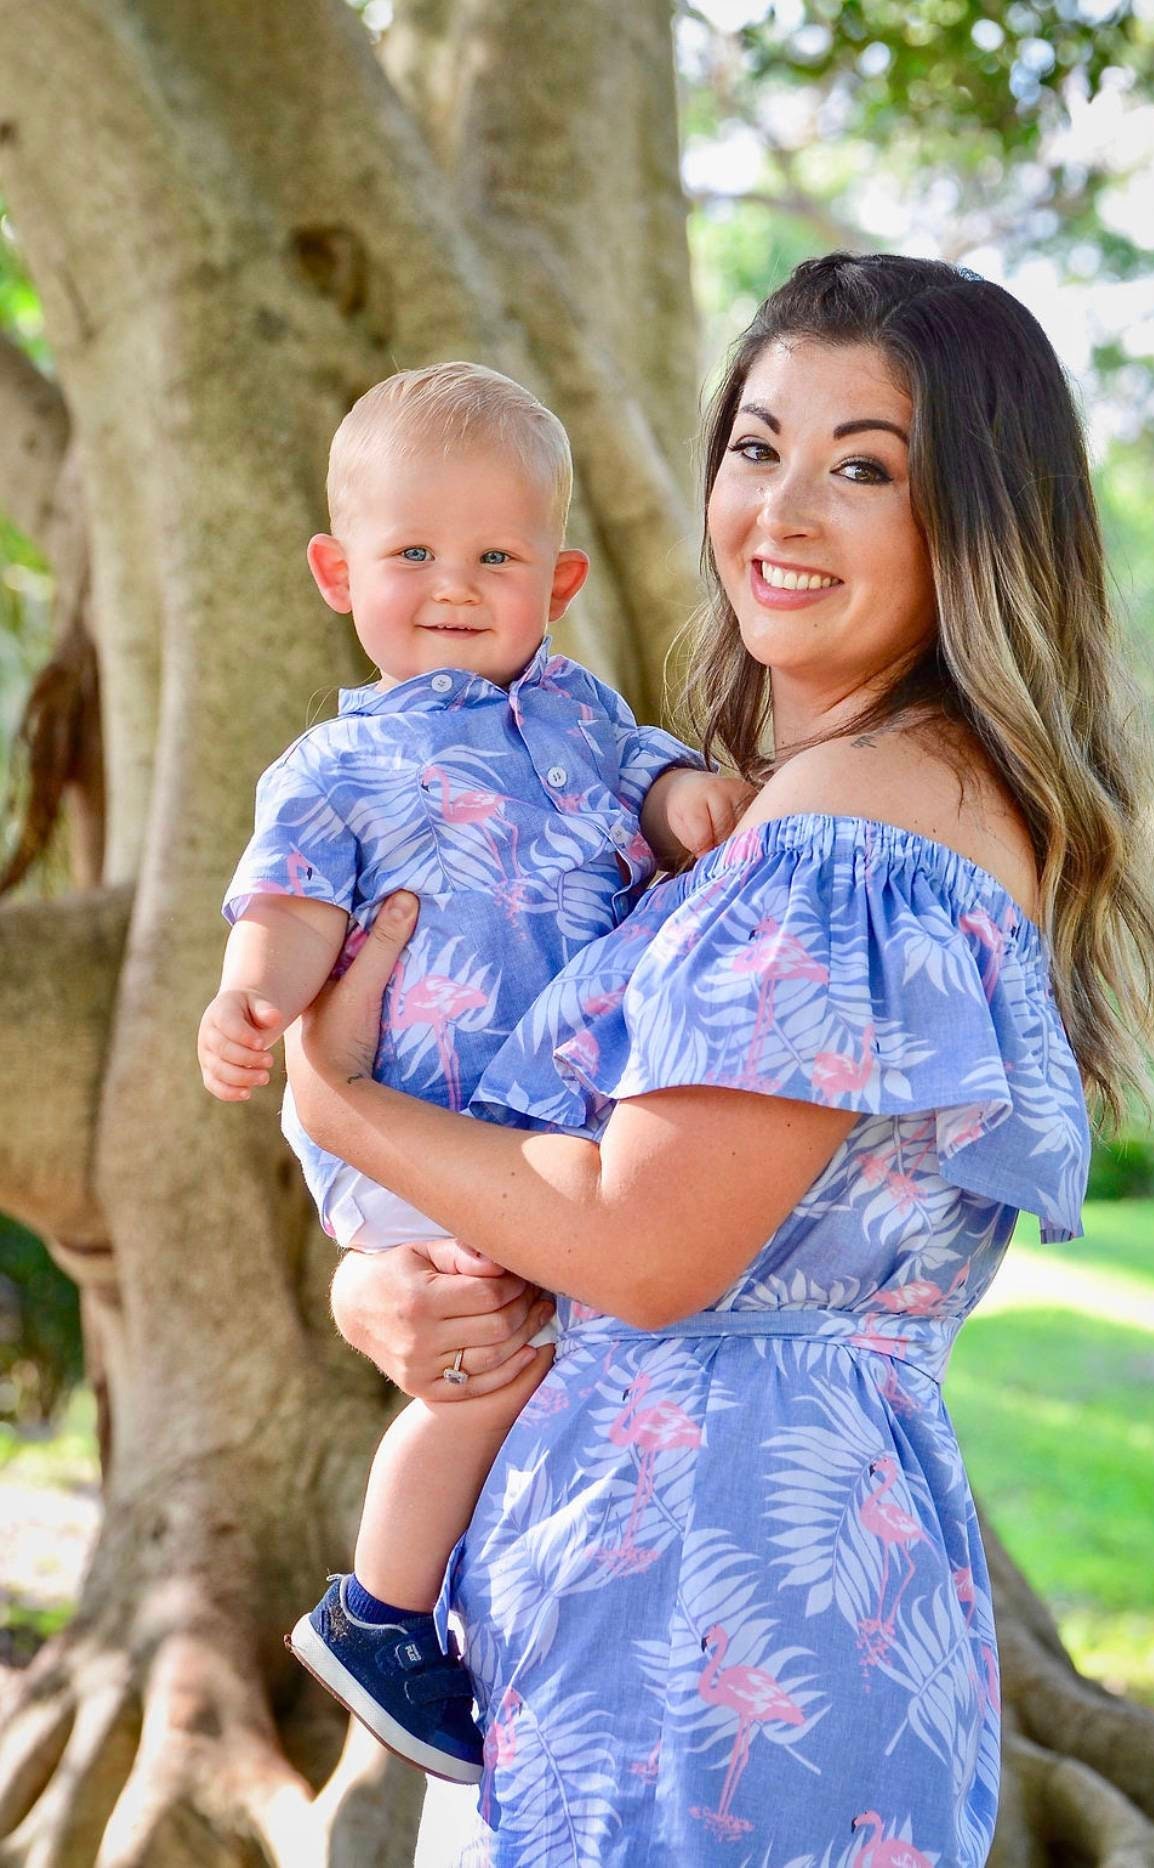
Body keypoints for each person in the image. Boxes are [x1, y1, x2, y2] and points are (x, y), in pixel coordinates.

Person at [287, 254, 1154, 1865]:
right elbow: (635, 1209)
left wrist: (337, 1104)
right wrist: (392, 1286)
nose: (782, 512)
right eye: (757, 448)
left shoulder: (855, 833)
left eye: (864, 470)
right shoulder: (815, 797)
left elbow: (645, 1247)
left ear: (977, 519)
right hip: (704, 1598)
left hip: (715, 1622)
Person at [197, 361, 747, 1781]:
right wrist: (253, 1004)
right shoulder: (331, 767)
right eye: (411, 555)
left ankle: (474, 1599)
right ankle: (377, 1612)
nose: (454, 584)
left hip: (555, 1126)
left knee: (547, 1351)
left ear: (557, 579)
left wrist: (685, 793)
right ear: (336, 571)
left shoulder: (580, 716)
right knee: (488, 1361)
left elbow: (651, 774)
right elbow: (292, 913)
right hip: (421, 1128)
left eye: (495, 556)